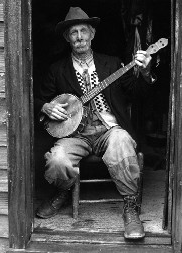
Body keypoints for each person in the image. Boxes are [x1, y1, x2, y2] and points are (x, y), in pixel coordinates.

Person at [35, 7, 156, 239]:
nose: (79, 37)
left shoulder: (111, 64)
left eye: (83, 31)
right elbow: (40, 98)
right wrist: (45, 106)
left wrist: (146, 70)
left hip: (109, 130)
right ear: (66, 38)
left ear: (92, 34)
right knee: (57, 159)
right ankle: (63, 190)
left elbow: (137, 92)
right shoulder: (56, 69)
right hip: (74, 135)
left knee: (121, 141)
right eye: (73, 33)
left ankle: (130, 208)